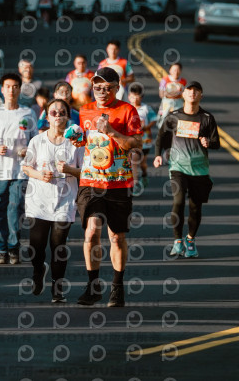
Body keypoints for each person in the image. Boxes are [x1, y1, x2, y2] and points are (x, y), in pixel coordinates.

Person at [68, 67, 142, 307]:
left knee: (116, 237)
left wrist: (111, 131)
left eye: (107, 87)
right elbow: (85, 141)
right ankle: (93, 286)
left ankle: (117, 287)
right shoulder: (85, 110)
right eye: (97, 87)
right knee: (91, 231)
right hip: (91, 180)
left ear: (117, 88)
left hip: (118, 181)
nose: (101, 91)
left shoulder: (128, 110)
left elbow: (136, 143)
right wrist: (78, 140)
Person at [22, 98, 83, 303]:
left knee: (58, 244)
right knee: (36, 246)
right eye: (53, 112)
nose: (58, 115)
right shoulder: (37, 141)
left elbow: (85, 172)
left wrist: (69, 169)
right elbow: (26, 167)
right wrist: (40, 175)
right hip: (38, 200)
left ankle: (58, 288)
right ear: (47, 117)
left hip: (64, 200)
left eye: (62, 112)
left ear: (68, 116)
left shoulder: (75, 143)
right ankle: (39, 269)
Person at [153, 81, 220, 259]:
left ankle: (190, 240)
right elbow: (161, 136)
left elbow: (216, 143)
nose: (192, 93)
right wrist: (158, 155)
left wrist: (209, 142)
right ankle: (177, 240)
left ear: (201, 96)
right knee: (178, 201)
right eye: (189, 90)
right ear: (183, 95)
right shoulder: (173, 116)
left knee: (195, 207)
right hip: (178, 167)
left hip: (199, 169)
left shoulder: (207, 118)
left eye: (196, 91)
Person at [0, 73, 38, 264]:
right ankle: (2, 249)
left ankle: (14, 248)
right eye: (8, 86)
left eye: (15, 86)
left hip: (20, 171)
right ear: (2, 89)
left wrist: (27, 150)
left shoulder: (27, 113)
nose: (11, 90)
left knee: (15, 209)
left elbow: (35, 141)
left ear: (19, 89)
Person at [127, 83, 157, 192]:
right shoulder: (127, 108)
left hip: (145, 141)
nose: (135, 99)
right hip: (132, 140)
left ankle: (144, 174)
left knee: (142, 163)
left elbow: (154, 119)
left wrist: (146, 127)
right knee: (133, 161)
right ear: (129, 96)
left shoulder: (146, 108)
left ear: (141, 97)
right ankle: (135, 184)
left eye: (137, 97)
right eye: (132, 96)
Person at [157, 62, 187, 129]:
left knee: (179, 119)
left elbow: (185, 94)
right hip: (167, 102)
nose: (176, 72)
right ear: (170, 70)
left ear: (180, 71)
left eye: (178, 70)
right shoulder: (165, 80)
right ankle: (162, 131)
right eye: (174, 70)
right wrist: (171, 93)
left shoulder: (183, 81)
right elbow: (161, 94)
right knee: (164, 117)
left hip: (178, 102)